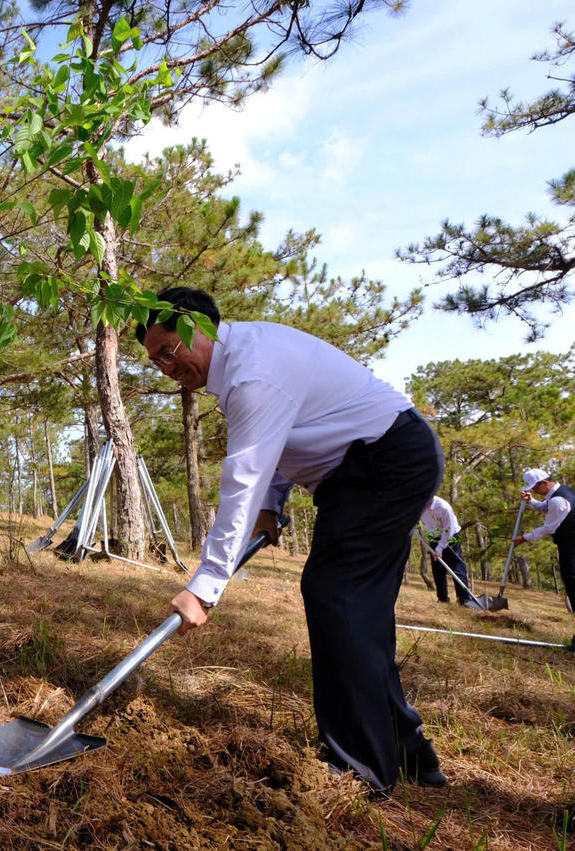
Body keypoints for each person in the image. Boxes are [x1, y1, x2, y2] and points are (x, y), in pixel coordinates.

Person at [136, 286, 446, 796]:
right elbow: (281, 443)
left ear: (200, 327)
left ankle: (360, 767)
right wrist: (270, 506)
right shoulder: (243, 364)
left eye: (169, 352)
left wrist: (205, 586)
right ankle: (408, 750)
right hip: (375, 466)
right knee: (356, 609)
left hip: (383, 462)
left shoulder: (253, 372)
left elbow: (243, 479)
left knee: (338, 597)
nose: (167, 369)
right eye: (156, 361)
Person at [511, 468, 575, 626]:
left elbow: (548, 528)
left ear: (544, 483)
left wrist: (524, 538)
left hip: (571, 547)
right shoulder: (561, 491)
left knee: (572, 584)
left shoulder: (558, 500)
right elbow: (545, 507)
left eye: (535, 488)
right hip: (568, 545)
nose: (535, 491)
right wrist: (531, 501)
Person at [419, 495, 473, 605]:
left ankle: (464, 600)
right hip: (434, 536)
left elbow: (449, 531)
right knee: (438, 570)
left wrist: (440, 548)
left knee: (457, 568)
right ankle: (443, 599)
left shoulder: (443, 507)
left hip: (452, 536)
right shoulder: (418, 503)